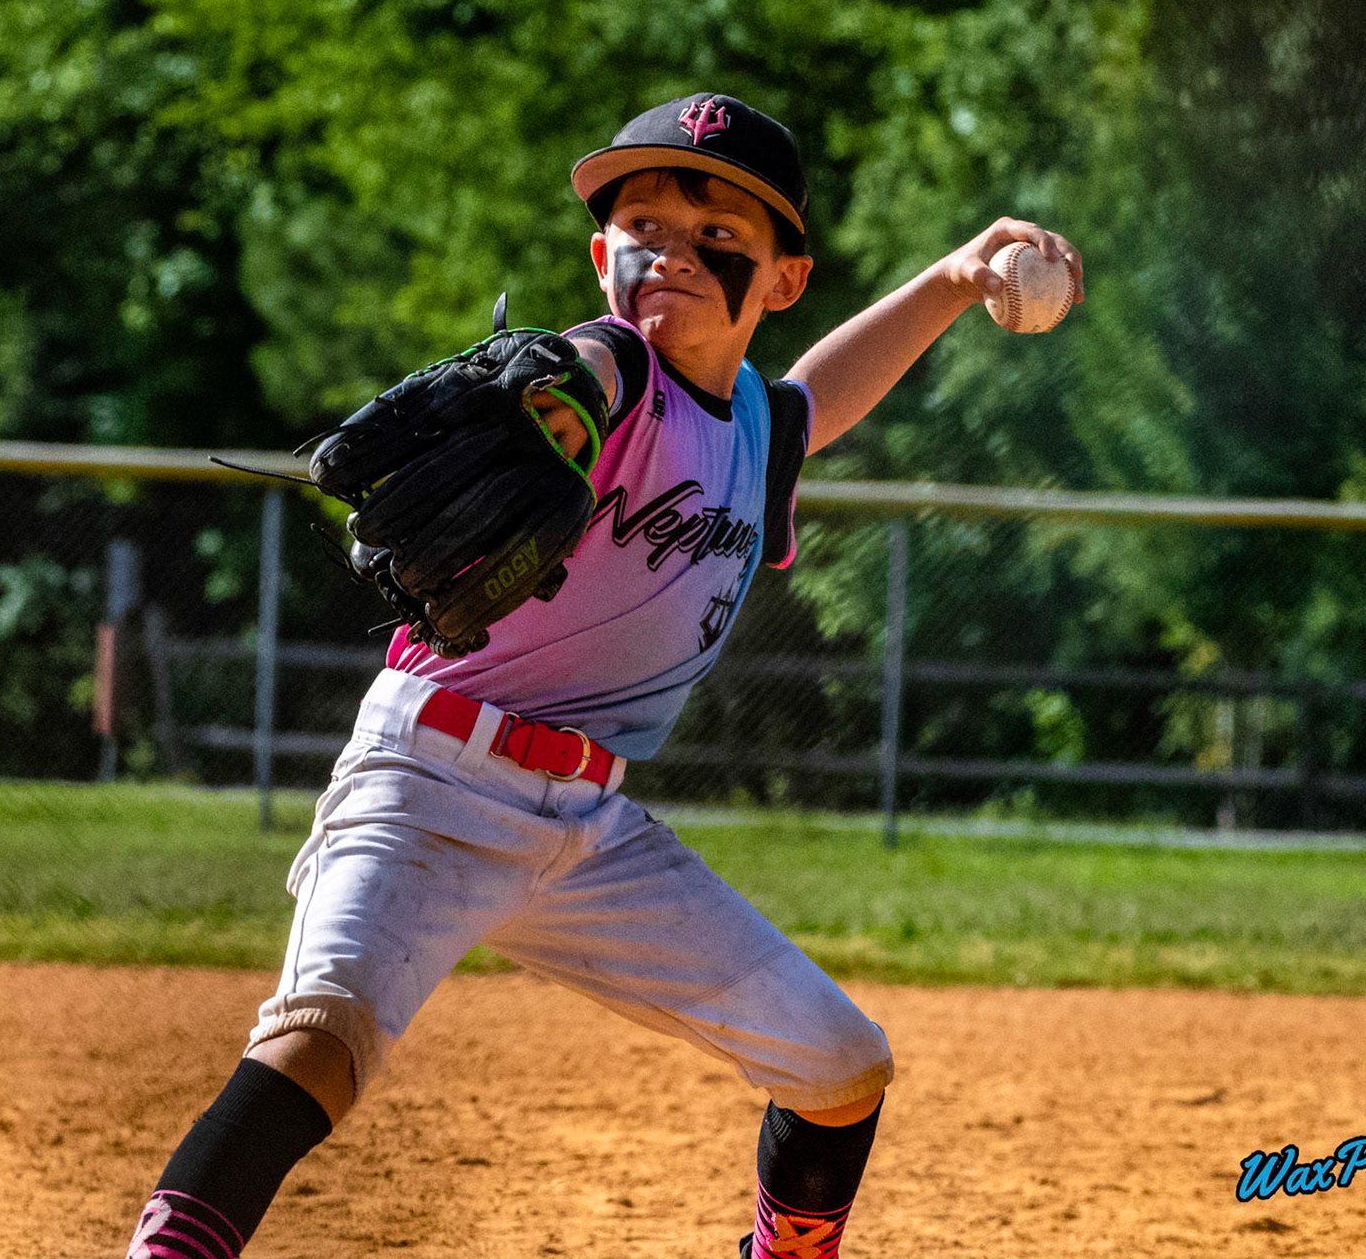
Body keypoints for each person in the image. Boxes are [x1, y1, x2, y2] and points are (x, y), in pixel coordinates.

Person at [124, 91, 1082, 1259]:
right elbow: (590, 368)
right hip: (430, 777)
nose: (672, 252)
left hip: (591, 825)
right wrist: (565, 397)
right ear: (599, 253)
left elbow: (817, 397)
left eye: (717, 235)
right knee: (321, 1039)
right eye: (644, 227)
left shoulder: (752, 433)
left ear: (782, 280)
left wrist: (951, 276)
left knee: (840, 1065)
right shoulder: (611, 365)